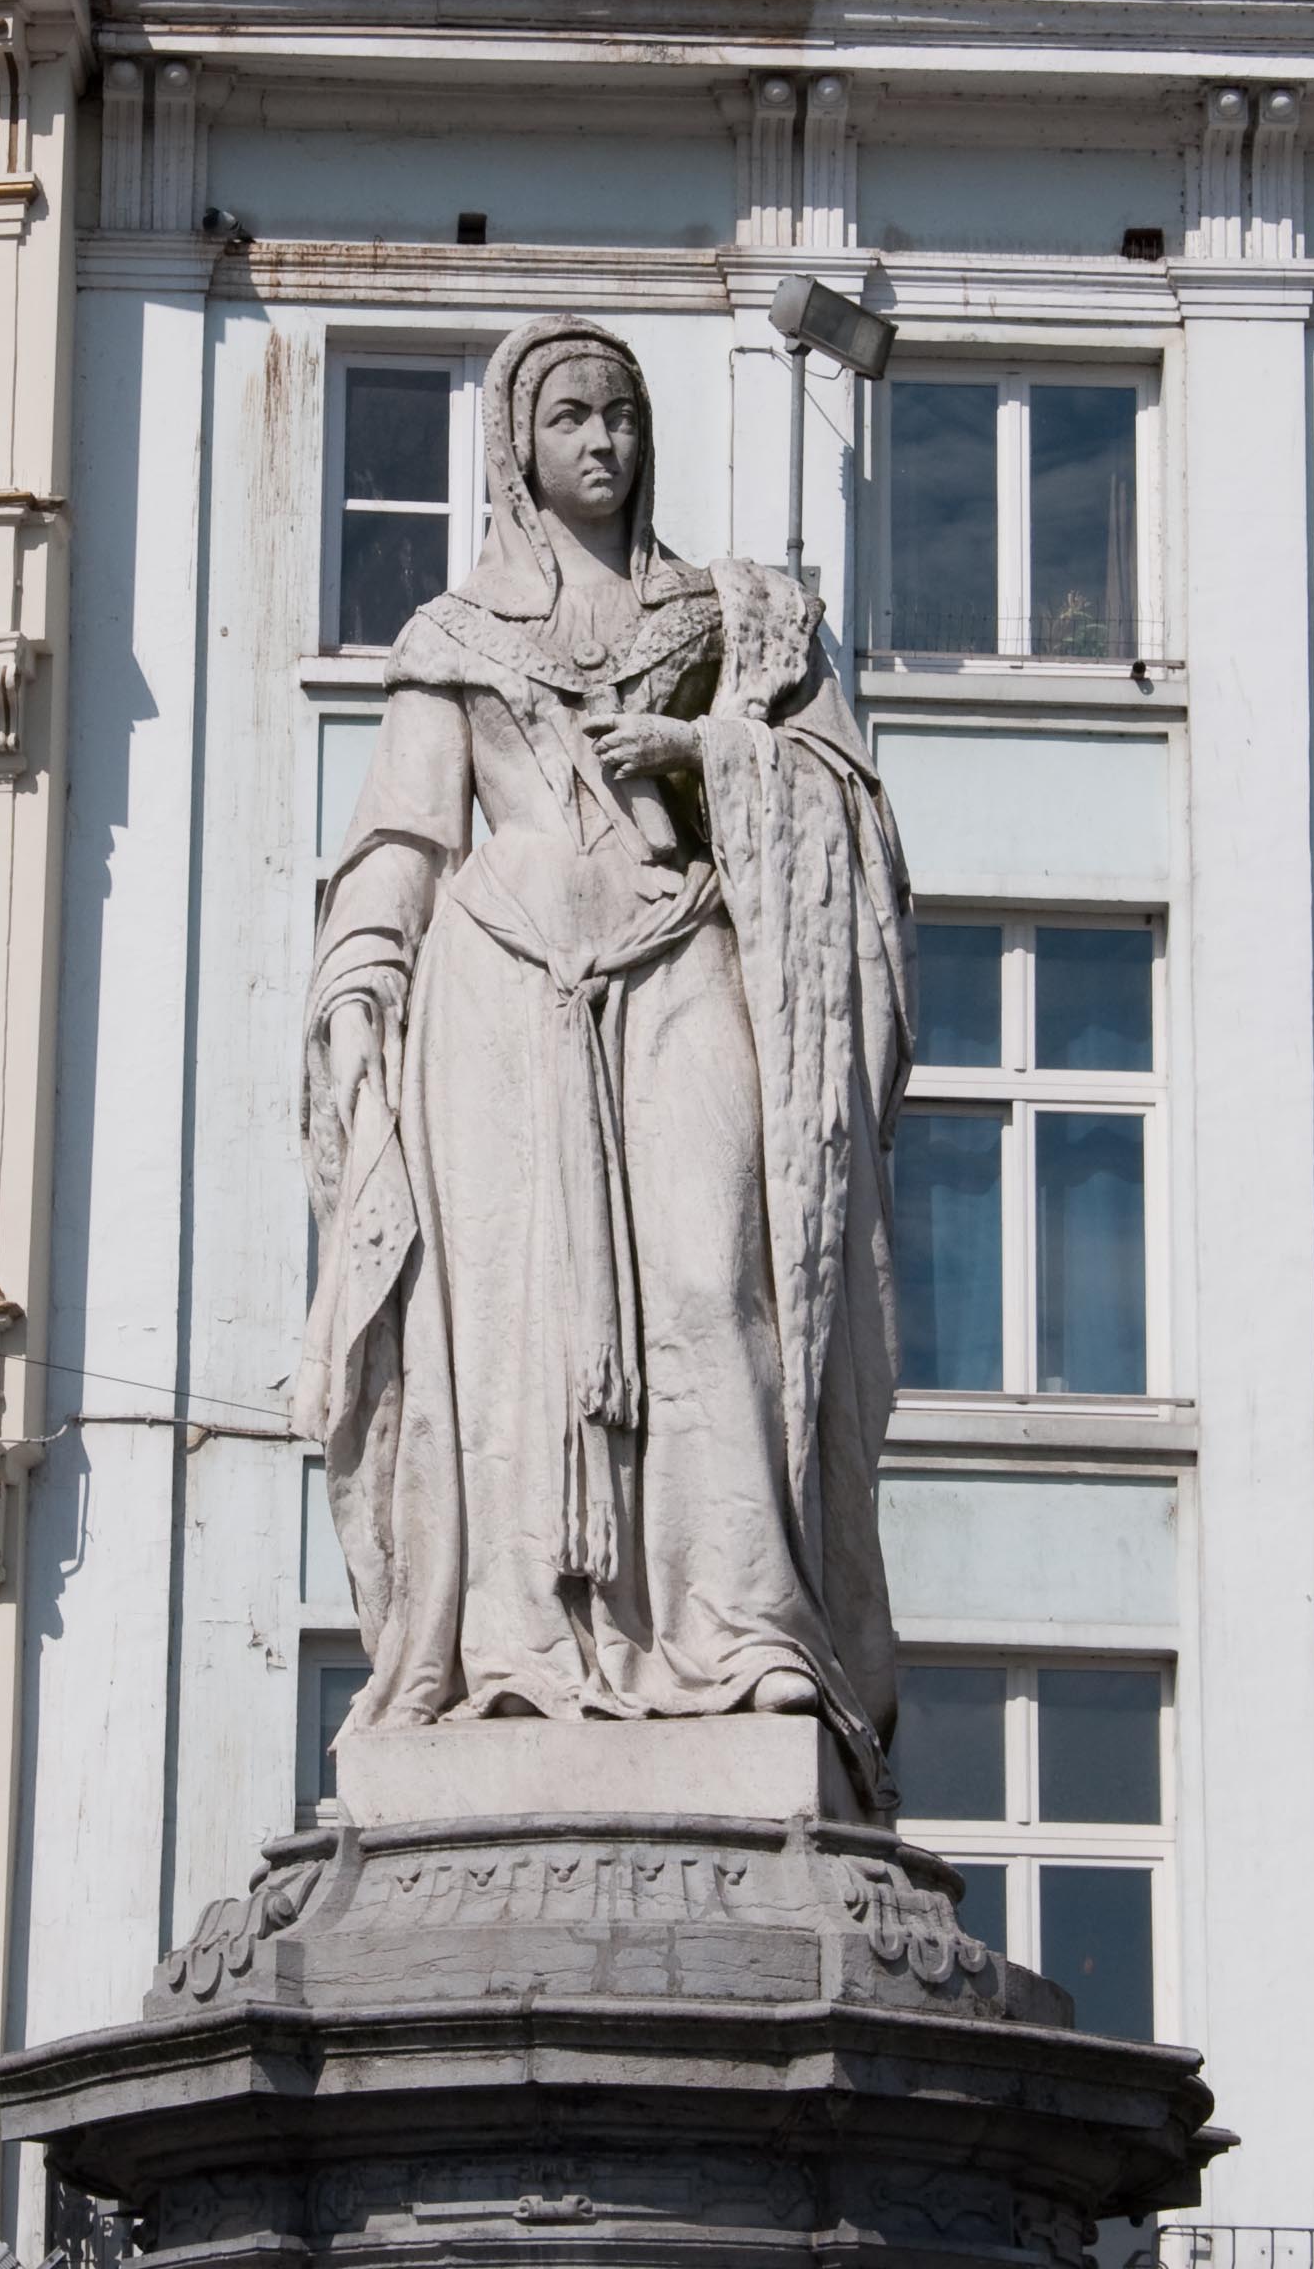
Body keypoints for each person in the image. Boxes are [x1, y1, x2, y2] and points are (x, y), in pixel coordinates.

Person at [301, 316, 914, 1809]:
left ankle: (748, 1632)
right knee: (518, 1328)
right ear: (519, 444)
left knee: (719, 1279)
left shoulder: (744, 625)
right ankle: (523, 1647)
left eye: (625, 416)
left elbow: (858, 821)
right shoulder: (453, 637)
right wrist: (365, 973)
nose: (605, 442)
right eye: (572, 416)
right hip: (501, 995)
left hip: (683, 951)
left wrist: (711, 760)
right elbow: (400, 834)